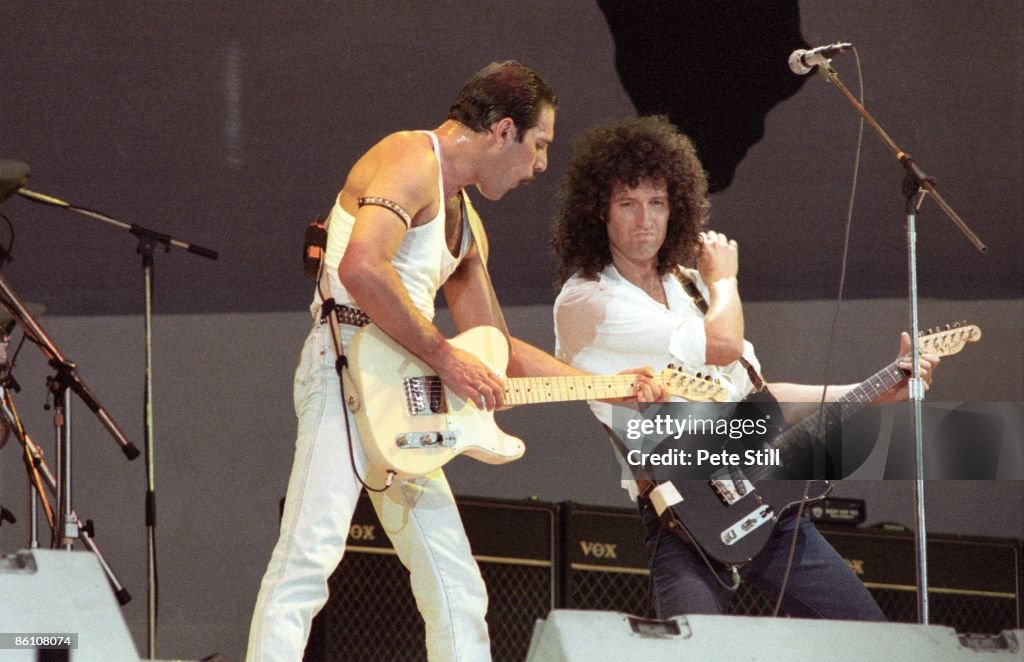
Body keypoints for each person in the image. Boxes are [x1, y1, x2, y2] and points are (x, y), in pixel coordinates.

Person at [248, 62, 661, 662]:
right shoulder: (409, 157)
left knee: (456, 586)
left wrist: (609, 385)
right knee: (307, 559)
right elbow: (359, 267)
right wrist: (445, 357)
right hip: (342, 370)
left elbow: (495, 349)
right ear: (503, 131)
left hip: (404, 392)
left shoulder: (467, 223)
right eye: (540, 145)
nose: (542, 165)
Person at [551, 115, 939, 621]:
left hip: (760, 490)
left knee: (872, 637)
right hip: (683, 511)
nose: (645, 219)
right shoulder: (587, 300)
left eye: (657, 202)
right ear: (598, 212)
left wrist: (877, 388)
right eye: (628, 203)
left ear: (675, 209)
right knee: (699, 651)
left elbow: (758, 397)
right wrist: (727, 280)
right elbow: (724, 343)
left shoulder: (689, 286)